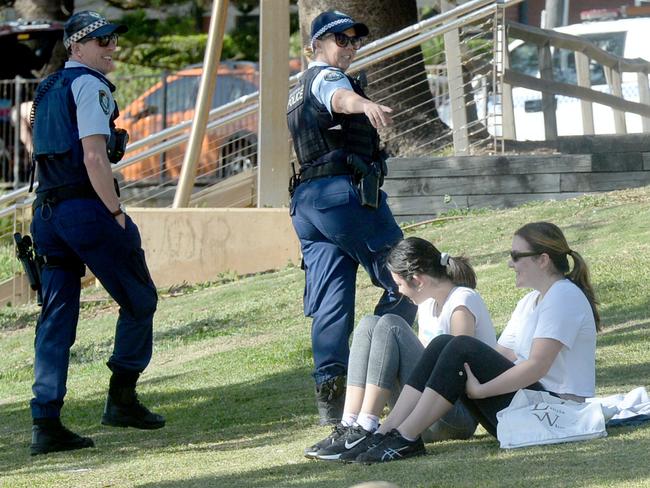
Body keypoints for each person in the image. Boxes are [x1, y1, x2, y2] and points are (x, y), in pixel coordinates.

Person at [28, 11, 164, 456]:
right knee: (140, 298)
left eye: (112, 39)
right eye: (100, 40)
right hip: (84, 209)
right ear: (75, 47)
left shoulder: (47, 88)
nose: (111, 47)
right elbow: (93, 157)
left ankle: (45, 422)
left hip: (45, 212)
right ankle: (121, 401)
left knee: (56, 319)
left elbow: (41, 147)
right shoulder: (88, 85)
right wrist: (115, 211)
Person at [349, 222, 600, 463]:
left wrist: (481, 390)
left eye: (515, 255)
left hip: (554, 410)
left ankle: (406, 436)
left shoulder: (563, 295)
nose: (510, 263)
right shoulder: (530, 301)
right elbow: (502, 354)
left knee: (458, 345)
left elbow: (537, 366)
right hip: (526, 407)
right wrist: (455, 368)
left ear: (543, 260)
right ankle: (387, 432)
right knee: (445, 344)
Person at [286, 10, 417, 425]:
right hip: (343, 197)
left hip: (309, 204)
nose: (350, 47)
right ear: (316, 46)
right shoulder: (326, 77)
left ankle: (332, 394)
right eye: (340, 39)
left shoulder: (296, 89)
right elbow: (337, 97)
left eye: (354, 40)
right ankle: (377, 362)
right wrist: (364, 104)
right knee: (408, 277)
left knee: (330, 303)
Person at [304, 237, 497, 461]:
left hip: (454, 417)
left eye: (400, 284)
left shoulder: (462, 301)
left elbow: (455, 370)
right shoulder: (427, 304)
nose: (399, 291)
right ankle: (351, 424)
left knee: (390, 325)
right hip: (419, 410)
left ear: (417, 280)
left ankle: (367, 427)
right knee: (368, 323)